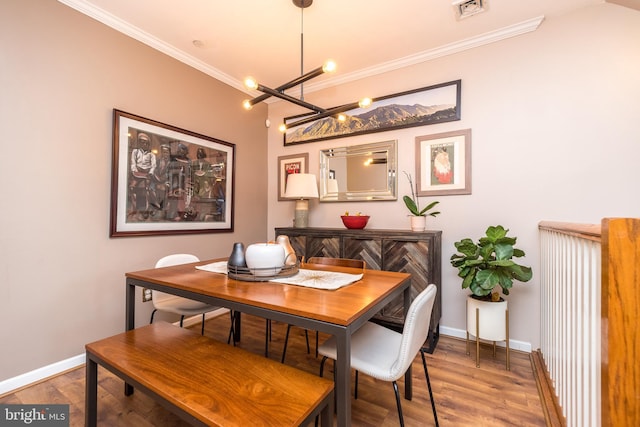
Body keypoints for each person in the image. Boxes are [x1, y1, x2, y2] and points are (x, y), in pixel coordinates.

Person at [129, 132, 157, 220]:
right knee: (132, 188)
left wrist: (150, 173)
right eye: (142, 142)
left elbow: (153, 166)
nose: (144, 144)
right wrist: (135, 172)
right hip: (137, 174)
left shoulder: (152, 155)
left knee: (147, 189)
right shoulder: (135, 151)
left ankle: (148, 208)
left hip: (147, 174)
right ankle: (134, 208)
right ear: (140, 143)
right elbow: (133, 163)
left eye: (146, 143)